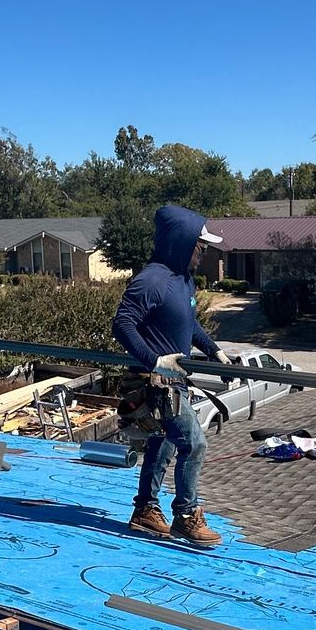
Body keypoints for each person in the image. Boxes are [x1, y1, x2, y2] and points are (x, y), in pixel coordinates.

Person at [111, 204, 230, 547]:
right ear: (181, 242)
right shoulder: (152, 279)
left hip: (173, 381)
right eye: (200, 246)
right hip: (156, 384)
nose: (204, 253)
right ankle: (186, 515)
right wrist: (155, 361)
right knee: (194, 444)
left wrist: (215, 351)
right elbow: (122, 324)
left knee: (161, 445)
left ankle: (146, 511)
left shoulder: (183, 280)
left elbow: (188, 323)